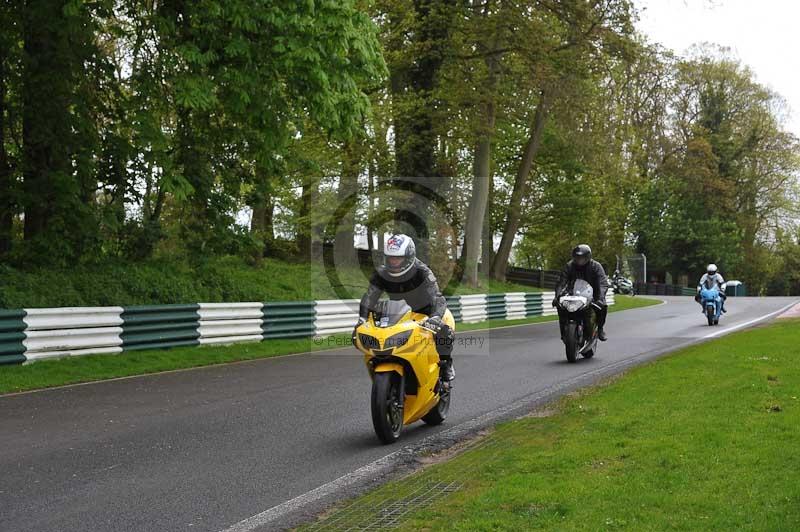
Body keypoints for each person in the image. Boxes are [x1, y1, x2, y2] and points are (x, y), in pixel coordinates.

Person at [356, 234, 456, 382]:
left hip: (426, 313)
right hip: (399, 313)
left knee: (445, 331)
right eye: (390, 258)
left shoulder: (423, 272)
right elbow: (370, 297)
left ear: (409, 257)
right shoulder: (381, 273)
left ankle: (446, 364)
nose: (393, 262)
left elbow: (437, 297)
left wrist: (435, 317)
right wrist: (362, 318)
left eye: (398, 258)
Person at [553, 244, 610, 341]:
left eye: (582, 258)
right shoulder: (569, 266)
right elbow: (561, 282)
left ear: (588, 257)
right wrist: (557, 296)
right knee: (560, 306)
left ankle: (600, 329)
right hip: (573, 293)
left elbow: (603, 283)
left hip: (593, 292)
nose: (580, 260)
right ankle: (564, 331)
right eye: (577, 258)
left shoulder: (596, 266)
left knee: (602, 306)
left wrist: (600, 297)